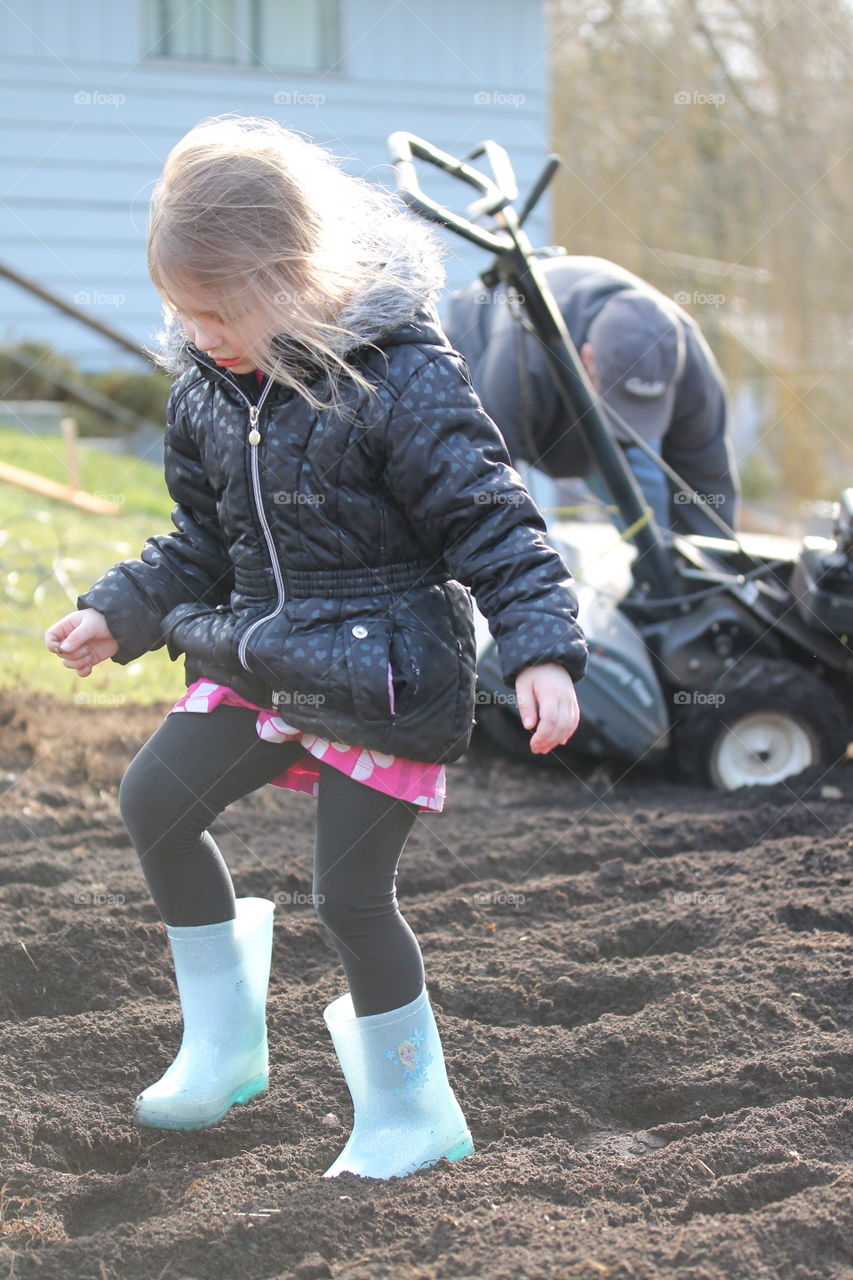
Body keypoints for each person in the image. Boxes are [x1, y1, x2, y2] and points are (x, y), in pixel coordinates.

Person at [44, 116, 588, 1181]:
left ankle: (409, 1108)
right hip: (260, 652)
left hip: (386, 673)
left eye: (217, 311)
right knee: (155, 801)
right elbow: (202, 541)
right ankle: (224, 1046)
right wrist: (123, 610)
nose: (197, 333)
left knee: (347, 894)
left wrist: (539, 649)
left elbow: (490, 520)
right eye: (182, 310)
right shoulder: (206, 385)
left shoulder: (399, 374)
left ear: (292, 277)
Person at [444, 253, 740, 539]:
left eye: (640, 411)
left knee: (660, 534)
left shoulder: (687, 356)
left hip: (576, 387)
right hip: (489, 360)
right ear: (588, 358)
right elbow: (483, 481)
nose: (627, 427)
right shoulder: (519, 357)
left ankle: (658, 564)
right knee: (505, 525)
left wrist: (710, 565)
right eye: (621, 406)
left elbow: (706, 480)